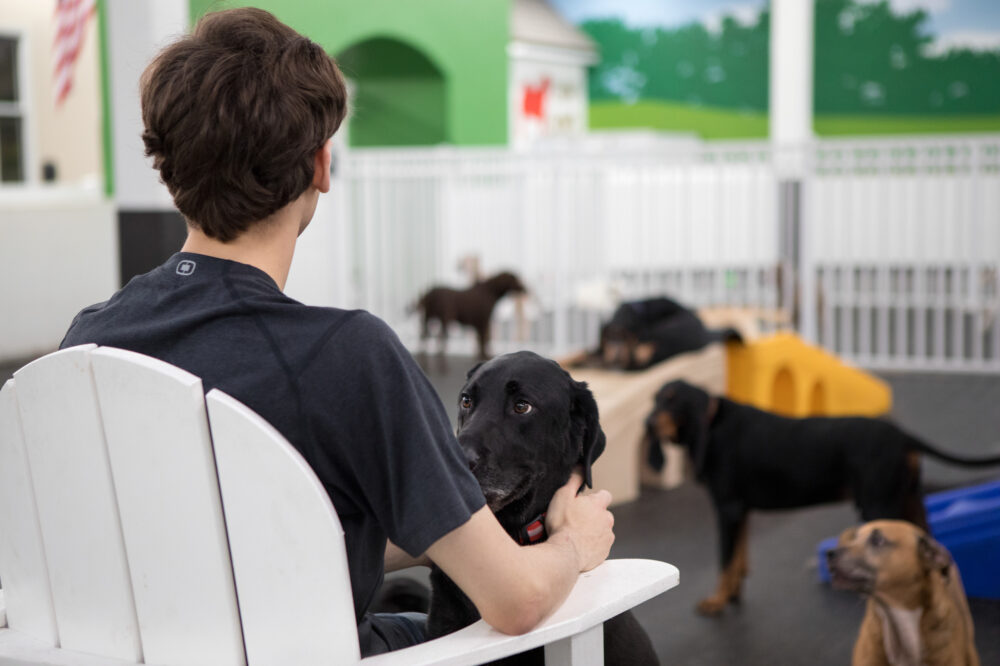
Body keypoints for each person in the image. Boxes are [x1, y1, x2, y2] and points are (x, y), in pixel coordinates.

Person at [61, 7, 614, 657]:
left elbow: (210, 545)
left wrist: (439, 531)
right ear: (321, 165)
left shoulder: (88, 344)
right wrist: (575, 540)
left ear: (168, 168)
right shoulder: (350, 357)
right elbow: (517, 600)